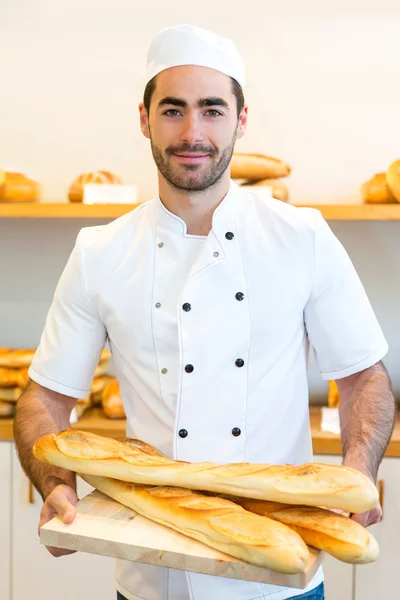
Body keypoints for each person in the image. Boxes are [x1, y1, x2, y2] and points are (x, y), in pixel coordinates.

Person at [14, 23, 395, 600]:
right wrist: (55, 485)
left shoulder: (303, 237)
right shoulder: (100, 252)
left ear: (241, 121)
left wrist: (358, 475)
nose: (193, 132)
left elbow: (364, 377)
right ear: (143, 119)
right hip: (150, 576)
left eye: (212, 110)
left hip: (281, 575)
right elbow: (45, 397)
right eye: (173, 110)